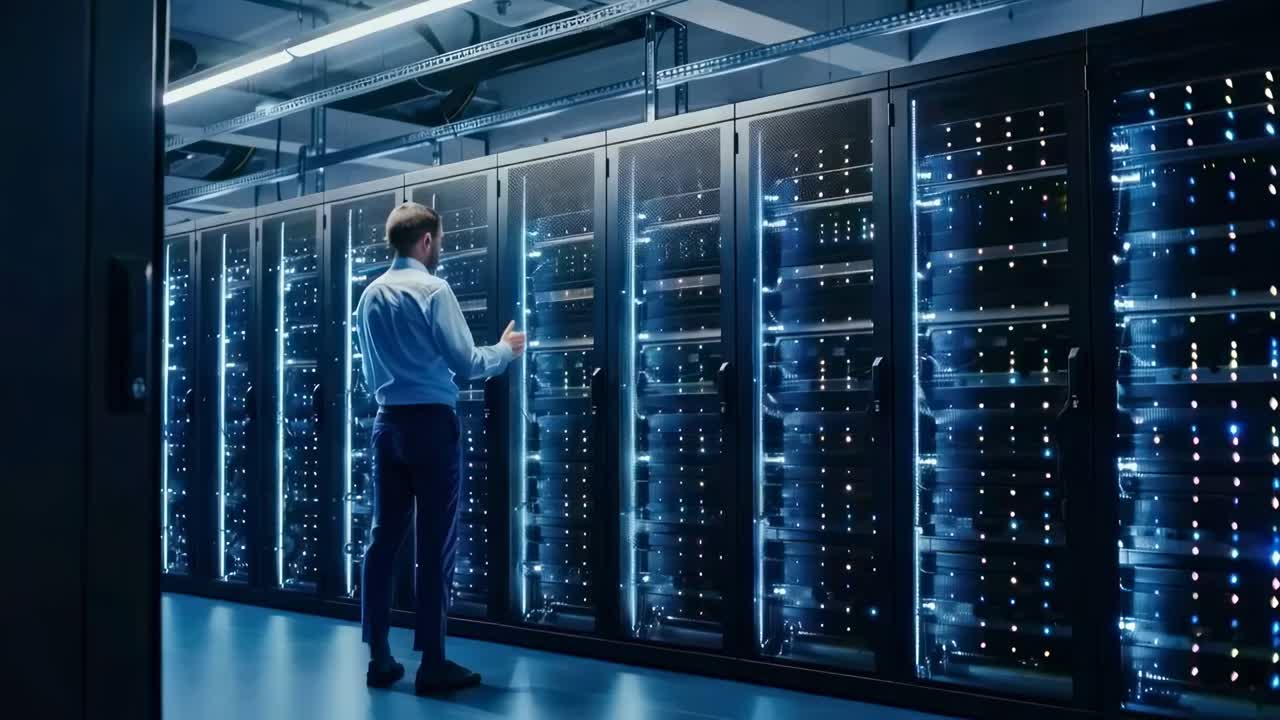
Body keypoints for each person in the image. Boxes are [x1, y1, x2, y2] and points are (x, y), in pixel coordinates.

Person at [356, 201, 525, 695]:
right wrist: (505, 351)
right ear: (426, 241)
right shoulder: (434, 289)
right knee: (434, 545)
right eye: (440, 241)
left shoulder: (368, 296)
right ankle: (432, 663)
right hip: (432, 425)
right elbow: (468, 363)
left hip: (386, 426)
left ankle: (380, 659)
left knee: (382, 542)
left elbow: (368, 375)